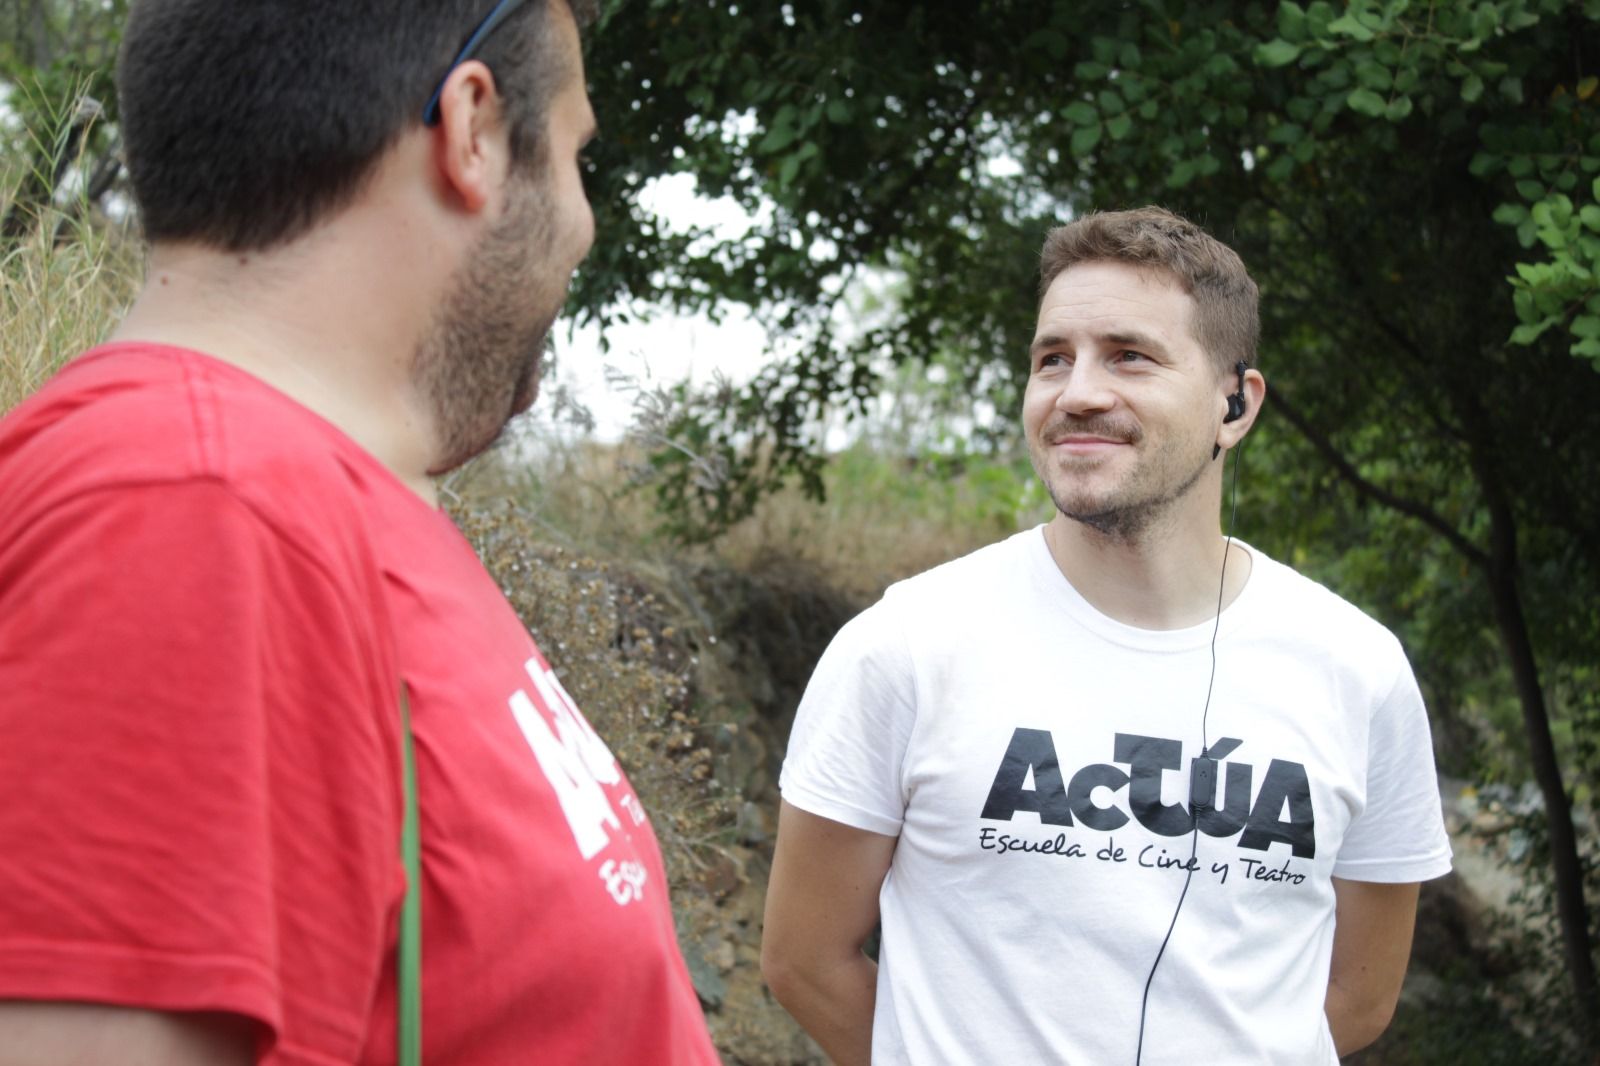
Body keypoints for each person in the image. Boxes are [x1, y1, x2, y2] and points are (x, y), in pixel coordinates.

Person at [0, 1, 721, 1063]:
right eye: (573, 155)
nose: (582, 222)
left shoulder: (315, 500)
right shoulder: (189, 501)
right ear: (473, 132)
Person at [761, 206, 1452, 1065]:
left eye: (1129, 355)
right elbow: (805, 960)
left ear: (1234, 404)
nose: (1077, 391)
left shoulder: (1359, 671)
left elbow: (1358, 995)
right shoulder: (905, 646)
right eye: (1053, 358)